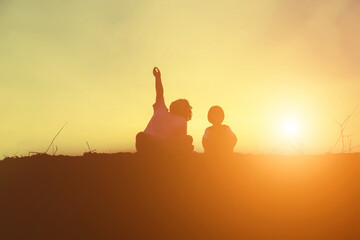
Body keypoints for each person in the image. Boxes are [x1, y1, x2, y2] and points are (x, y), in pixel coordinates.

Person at [136, 67, 193, 154]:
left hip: (164, 147)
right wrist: (158, 77)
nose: (176, 101)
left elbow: (179, 140)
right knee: (140, 136)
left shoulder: (182, 121)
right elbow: (159, 92)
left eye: (180, 101)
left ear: (183, 109)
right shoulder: (161, 108)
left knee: (188, 139)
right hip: (148, 142)